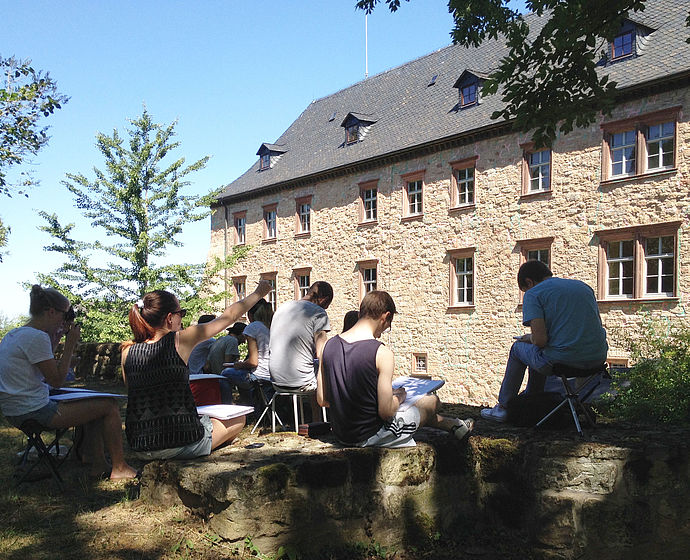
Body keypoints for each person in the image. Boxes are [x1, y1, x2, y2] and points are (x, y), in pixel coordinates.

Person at [121, 280, 271, 460]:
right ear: (170, 318)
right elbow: (228, 317)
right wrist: (259, 292)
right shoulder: (180, 340)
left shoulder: (127, 351)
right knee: (239, 419)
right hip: (179, 442)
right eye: (180, 313)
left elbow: (135, 394)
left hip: (139, 444)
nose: (182, 318)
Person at [0, 285, 138, 479]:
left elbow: (45, 365)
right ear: (51, 312)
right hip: (33, 410)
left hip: (14, 409)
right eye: (65, 315)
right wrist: (70, 345)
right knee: (109, 405)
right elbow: (56, 380)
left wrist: (59, 339)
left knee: (92, 402)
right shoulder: (36, 337)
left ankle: (95, 459)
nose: (65, 320)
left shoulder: (16, 334)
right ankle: (119, 467)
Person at [318, 290, 474, 447]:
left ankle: (455, 425)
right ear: (385, 317)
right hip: (371, 435)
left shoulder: (328, 347)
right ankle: (456, 425)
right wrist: (399, 397)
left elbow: (323, 399)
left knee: (420, 408)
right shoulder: (381, 352)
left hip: (341, 433)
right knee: (432, 402)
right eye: (387, 326)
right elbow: (386, 412)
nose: (381, 334)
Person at [481, 260, 608, 422]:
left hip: (563, 362)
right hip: (597, 360)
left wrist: (528, 338)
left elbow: (540, 340)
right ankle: (533, 402)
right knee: (537, 351)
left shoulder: (533, 294)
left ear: (529, 282)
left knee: (517, 348)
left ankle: (503, 408)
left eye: (524, 289)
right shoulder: (583, 287)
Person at [269, 281, 333, 420]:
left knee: (312, 366)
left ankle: (298, 417)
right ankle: (320, 420)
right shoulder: (318, 312)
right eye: (327, 306)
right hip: (301, 382)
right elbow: (322, 353)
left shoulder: (282, 308)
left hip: (276, 381)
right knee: (327, 369)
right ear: (324, 300)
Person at [220, 300, 272, 405]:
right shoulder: (272, 325)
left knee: (225, 374)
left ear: (250, 315)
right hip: (276, 375)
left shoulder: (253, 327)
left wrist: (239, 364)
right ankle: (250, 405)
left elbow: (253, 362)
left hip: (261, 375)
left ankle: (230, 407)